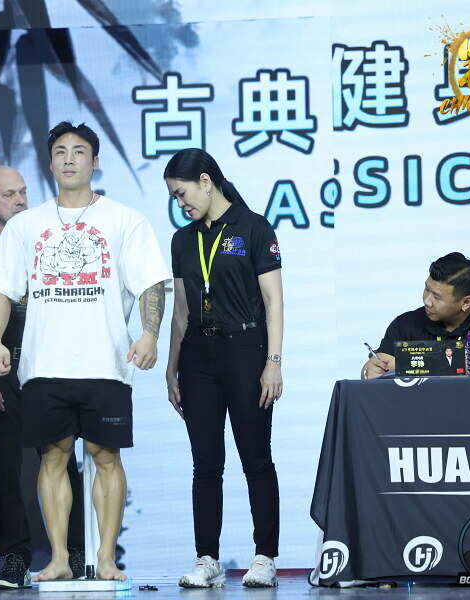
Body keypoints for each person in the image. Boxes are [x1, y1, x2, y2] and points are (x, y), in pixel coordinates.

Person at [0, 121, 171, 582]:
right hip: (44, 364)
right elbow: (0, 288)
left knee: (106, 457)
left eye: (79, 151)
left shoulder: (125, 220)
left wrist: (149, 335)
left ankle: (105, 558)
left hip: (105, 362)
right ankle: (60, 559)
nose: (69, 159)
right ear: (50, 163)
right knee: (53, 457)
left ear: (95, 161)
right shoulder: (25, 225)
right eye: (61, 151)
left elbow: (150, 283)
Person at [164, 148, 283, 589]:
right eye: (174, 198)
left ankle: (265, 557)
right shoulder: (182, 239)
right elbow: (180, 310)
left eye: (182, 193)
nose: (181, 204)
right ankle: (207, 559)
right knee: (205, 463)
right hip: (198, 355)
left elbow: (273, 300)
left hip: (247, 349)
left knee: (256, 458)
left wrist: (273, 362)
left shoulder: (254, 228)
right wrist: (172, 368)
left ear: (206, 180)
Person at [0, 166, 86, 587]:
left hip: (49, 365)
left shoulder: (47, 238)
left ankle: (74, 552)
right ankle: (15, 557)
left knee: (63, 459)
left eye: (23, 192)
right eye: (9, 194)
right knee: (4, 468)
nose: (19, 200)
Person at [362, 252, 470, 378]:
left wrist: (409, 362)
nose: (427, 301)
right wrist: (369, 370)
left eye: (437, 297)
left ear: (466, 302)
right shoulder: (405, 323)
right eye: (427, 289)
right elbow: (381, 366)